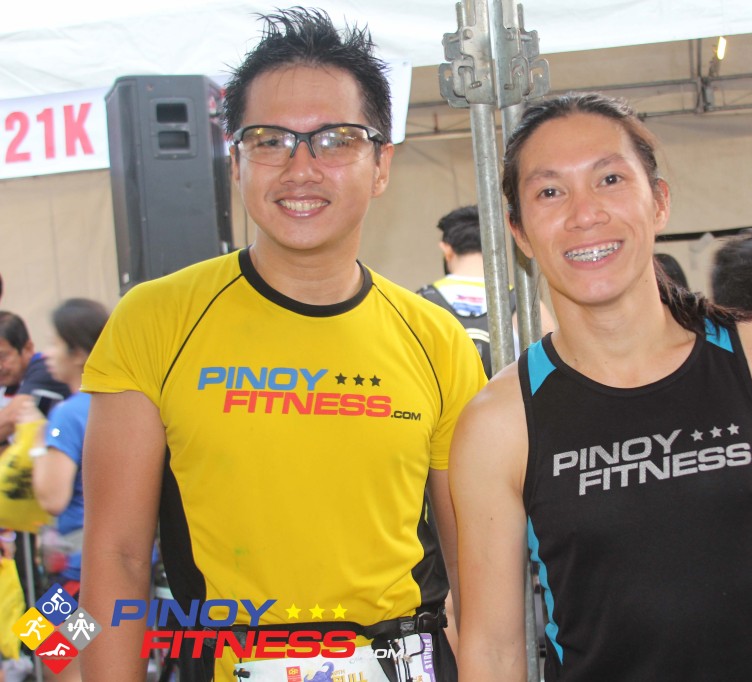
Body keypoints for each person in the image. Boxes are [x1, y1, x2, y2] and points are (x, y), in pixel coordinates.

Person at [79, 9, 485, 682]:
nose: (301, 167)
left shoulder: (435, 337)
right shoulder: (155, 320)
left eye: (336, 140)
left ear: (381, 165)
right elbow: (115, 557)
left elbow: (477, 571)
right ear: (236, 162)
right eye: (269, 140)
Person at [451, 93, 752, 681]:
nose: (584, 213)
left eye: (609, 179)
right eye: (550, 191)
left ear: (658, 201)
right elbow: (494, 649)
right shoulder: (499, 422)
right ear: (520, 231)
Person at [17, 299, 108, 682]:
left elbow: (52, 498)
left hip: (77, 572)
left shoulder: (68, 414)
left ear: (79, 352)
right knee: (39, 636)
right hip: (119, 566)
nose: (47, 354)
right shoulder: (116, 402)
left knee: (58, 659)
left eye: (55, 343)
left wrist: (37, 442)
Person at [418, 204, 555, 377]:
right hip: (508, 393)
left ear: (446, 249)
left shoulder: (422, 300)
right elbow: (553, 365)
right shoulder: (523, 303)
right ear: (493, 246)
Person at [0, 312, 70, 446]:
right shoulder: (9, 381)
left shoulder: (47, 369)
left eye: (2, 356)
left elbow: (11, 418)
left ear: (28, 348)